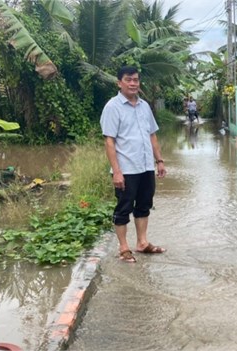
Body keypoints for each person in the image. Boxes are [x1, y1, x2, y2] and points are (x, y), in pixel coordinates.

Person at [101, 66, 167, 263]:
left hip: (146, 166)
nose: (133, 83)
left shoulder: (144, 106)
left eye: (136, 80)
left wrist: (160, 161)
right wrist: (117, 172)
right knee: (124, 207)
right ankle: (123, 248)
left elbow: (152, 134)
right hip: (126, 169)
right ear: (119, 82)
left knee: (144, 205)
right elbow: (109, 141)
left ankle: (142, 243)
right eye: (128, 79)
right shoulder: (112, 107)